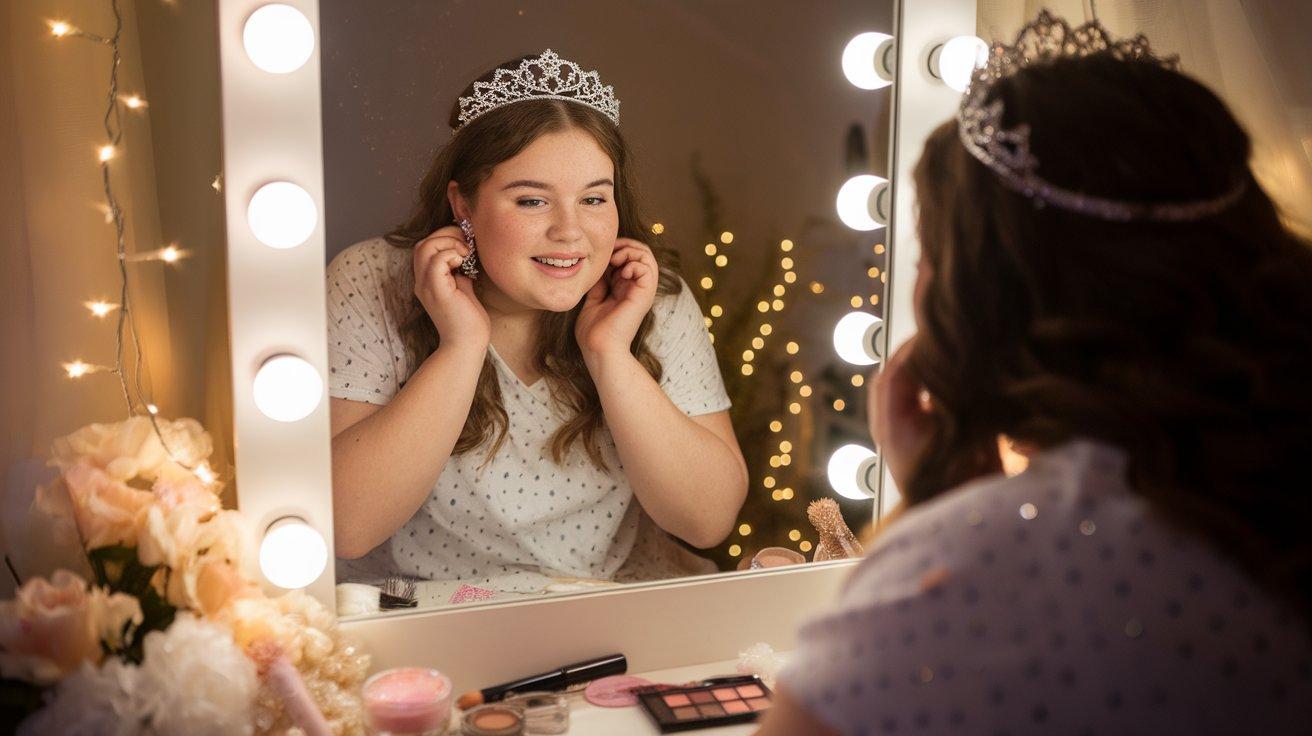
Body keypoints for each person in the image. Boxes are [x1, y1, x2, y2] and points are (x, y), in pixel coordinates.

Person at [759, 12, 1312, 735]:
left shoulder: (980, 571)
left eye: (929, 255)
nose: (917, 284)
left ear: (985, 295)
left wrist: (930, 521)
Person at [326, 50, 748, 595]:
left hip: (603, 608)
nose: (571, 232)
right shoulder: (371, 278)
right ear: (463, 204)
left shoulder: (651, 297)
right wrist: (461, 345)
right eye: (532, 201)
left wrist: (610, 354)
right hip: (417, 616)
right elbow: (347, 525)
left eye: (594, 198)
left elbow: (707, 521)